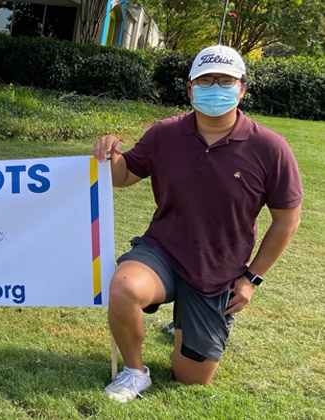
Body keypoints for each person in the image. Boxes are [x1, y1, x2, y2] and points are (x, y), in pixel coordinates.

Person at [92, 45, 302, 402]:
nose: (215, 87)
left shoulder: (270, 147)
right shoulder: (165, 133)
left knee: (190, 379)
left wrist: (251, 279)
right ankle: (134, 372)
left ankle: (188, 323)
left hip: (218, 269)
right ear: (190, 89)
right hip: (164, 251)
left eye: (225, 80)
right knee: (123, 287)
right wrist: (111, 157)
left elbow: (287, 219)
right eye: (206, 80)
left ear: (242, 88)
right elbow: (123, 177)